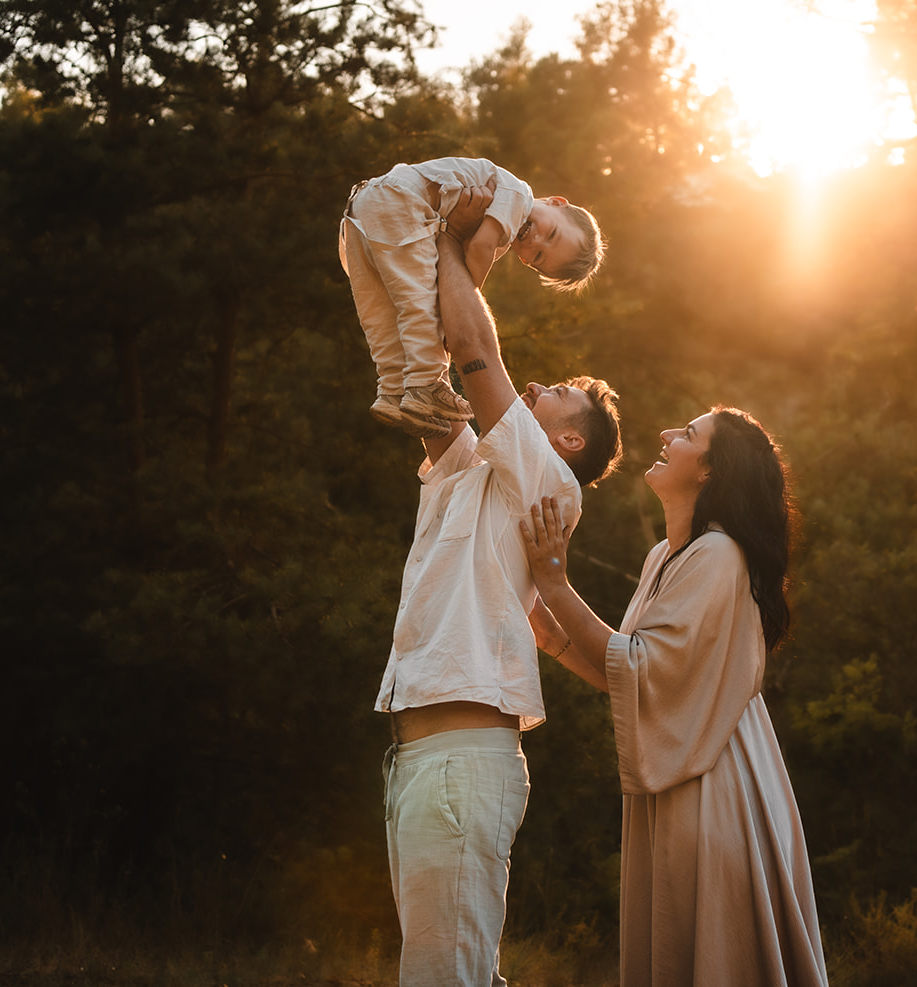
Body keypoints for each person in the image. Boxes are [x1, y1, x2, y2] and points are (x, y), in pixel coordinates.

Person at [375, 183, 622, 987]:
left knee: (445, 978)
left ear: (569, 436)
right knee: (454, 970)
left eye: (555, 396)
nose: (537, 388)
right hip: (422, 758)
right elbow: (442, 376)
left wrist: (452, 245)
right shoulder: (479, 467)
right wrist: (411, 256)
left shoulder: (552, 484)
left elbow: (478, 352)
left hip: (460, 758)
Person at [520, 407, 830, 986]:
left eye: (687, 435)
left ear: (711, 471)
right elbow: (644, 681)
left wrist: (556, 583)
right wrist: (552, 636)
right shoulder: (664, 556)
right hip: (682, 774)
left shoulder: (720, 555)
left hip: (715, 784)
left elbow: (639, 666)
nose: (666, 435)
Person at [338, 156, 605, 439]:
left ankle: (392, 388)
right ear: (556, 202)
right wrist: (466, 298)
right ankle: (425, 383)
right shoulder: (517, 195)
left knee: (382, 314)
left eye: (539, 256)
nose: (536, 241)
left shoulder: (507, 221)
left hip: (363, 211)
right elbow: (478, 248)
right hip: (402, 202)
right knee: (420, 304)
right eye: (552, 233)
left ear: (527, 262)